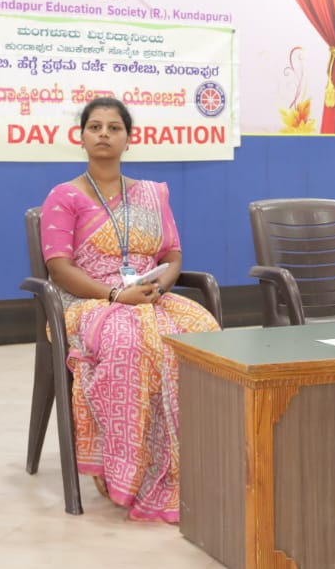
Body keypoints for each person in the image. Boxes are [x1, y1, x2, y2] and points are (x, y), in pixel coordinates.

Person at [40, 97, 220, 522]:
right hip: (91, 302)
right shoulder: (64, 197)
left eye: (114, 127)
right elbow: (58, 267)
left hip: (149, 295)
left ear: (128, 138)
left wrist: (159, 286)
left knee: (204, 333)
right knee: (129, 344)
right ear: (81, 136)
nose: (104, 134)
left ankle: (199, 460)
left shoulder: (151, 195)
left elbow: (172, 255)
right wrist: (114, 296)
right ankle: (128, 467)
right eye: (95, 126)